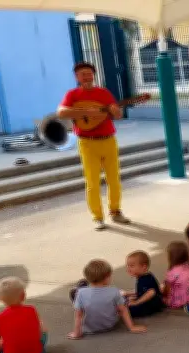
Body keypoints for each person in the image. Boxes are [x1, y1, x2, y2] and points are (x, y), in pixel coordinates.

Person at [57, 62, 130, 230]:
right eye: (83, 74)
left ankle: (115, 211)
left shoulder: (103, 93)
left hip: (108, 140)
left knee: (114, 180)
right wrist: (86, 112)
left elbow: (118, 116)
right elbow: (61, 113)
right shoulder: (73, 95)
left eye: (89, 74)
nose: (87, 77)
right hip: (87, 143)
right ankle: (97, 217)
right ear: (77, 77)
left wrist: (115, 110)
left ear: (94, 75)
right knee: (92, 182)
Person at [68, 259, 147, 339]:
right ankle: (83, 286)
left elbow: (78, 315)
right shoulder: (114, 291)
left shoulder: (81, 293)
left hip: (89, 328)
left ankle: (82, 287)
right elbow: (123, 310)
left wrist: (77, 333)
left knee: (77, 293)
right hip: (110, 325)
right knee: (121, 299)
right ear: (107, 277)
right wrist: (132, 327)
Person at [124, 250, 165, 318]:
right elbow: (142, 291)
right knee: (126, 301)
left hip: (150, 305)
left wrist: (136, 302)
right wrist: (130, 294)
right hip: (148, 301)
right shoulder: (143, 276)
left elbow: (151, 292)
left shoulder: (146, 280)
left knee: (127, 309)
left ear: (143, 267)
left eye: (132, 266)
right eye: (128, 266)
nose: (128, 269)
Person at [162, 241, 189, 309]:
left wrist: (165, 296)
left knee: (161, 289)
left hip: (179, 301)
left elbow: (168, 289)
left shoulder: (172, 271)